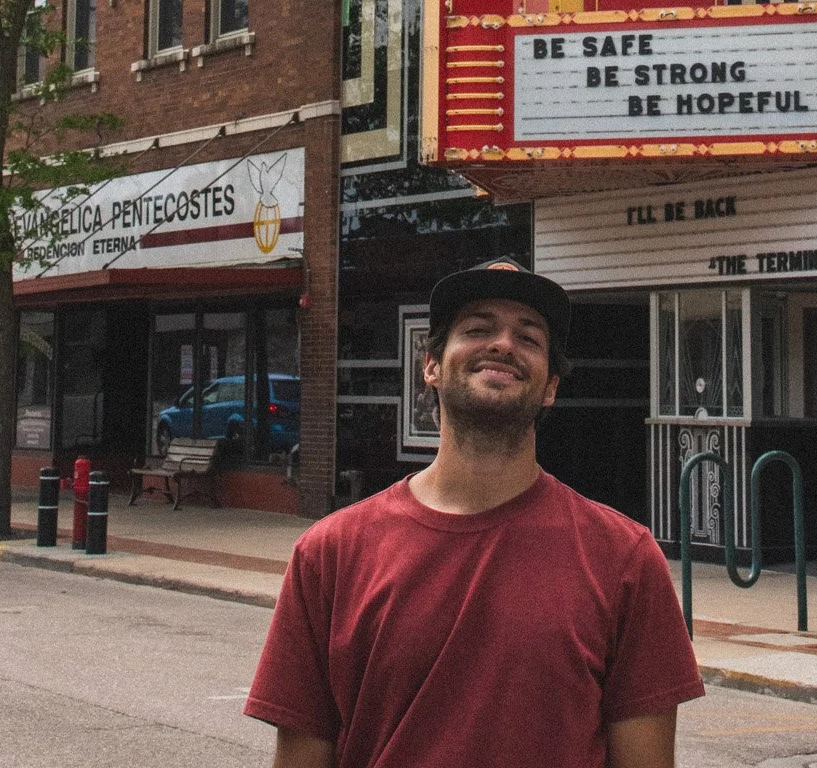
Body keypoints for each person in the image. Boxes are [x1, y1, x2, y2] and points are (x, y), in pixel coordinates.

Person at [245, 257, 704, 767]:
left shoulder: (625, 558)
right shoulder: (328, 554)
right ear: (431, 365)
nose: (504, 344)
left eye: (529, 337)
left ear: (551, 386)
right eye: (478, 329)